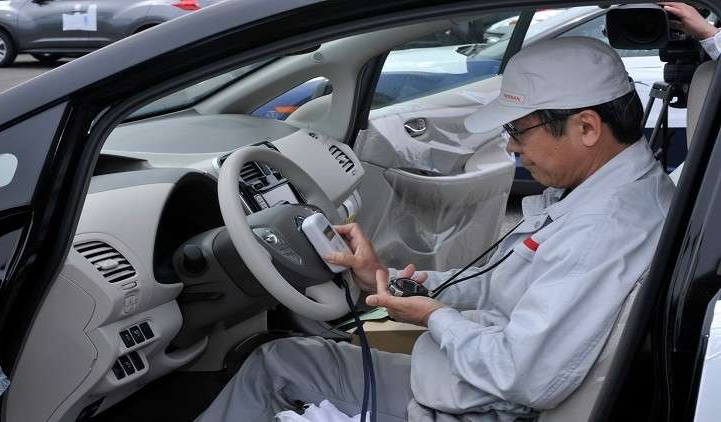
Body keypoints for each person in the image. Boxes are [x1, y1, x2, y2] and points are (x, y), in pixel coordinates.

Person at [197, 37, 675, 422]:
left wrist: (434, 317)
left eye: (518, 130)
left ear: (586, 127)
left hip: (472, 407)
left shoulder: (602, 229)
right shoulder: (602, 194)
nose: (511, 147)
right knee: (286, 357)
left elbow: (522, 375)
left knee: (274, 366)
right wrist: (384, 277)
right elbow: (495, 287)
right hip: (466, 384)